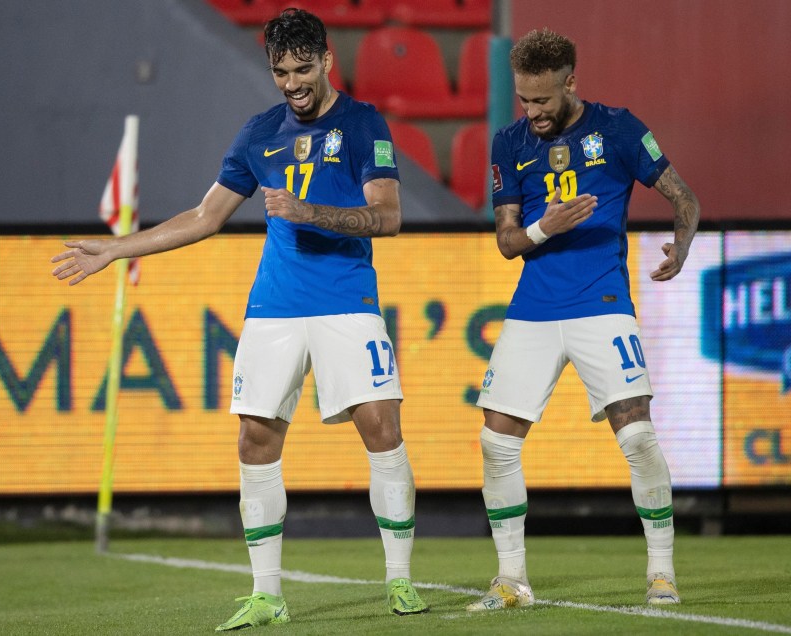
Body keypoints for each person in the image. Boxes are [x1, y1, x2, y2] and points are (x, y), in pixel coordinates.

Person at [50, 8, 428, 631]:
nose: (292, 83)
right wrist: (117, 248)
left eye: (302, 69)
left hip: (346, 301)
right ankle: (266, 595)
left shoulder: (363, 125)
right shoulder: (258, 134)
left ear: (327, 60)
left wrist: (307, 212)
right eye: (281, 72)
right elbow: (205, 216)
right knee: (255, 439)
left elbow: (388, 217)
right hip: (274, 307)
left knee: (381, 428)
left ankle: (400, 582)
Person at [468, 28, 700, 611]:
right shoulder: (509, 142)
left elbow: (685, 199)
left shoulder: (619, 129)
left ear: (571, 82)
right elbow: (507, 241)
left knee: (639, 436)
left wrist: (682, 243)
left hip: (601, 305)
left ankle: (662, 576)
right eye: (525, 100)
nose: (534, 112)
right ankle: (511, 582)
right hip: (534, 310)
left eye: (543, 100)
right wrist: (551, 226)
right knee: (496, 443)